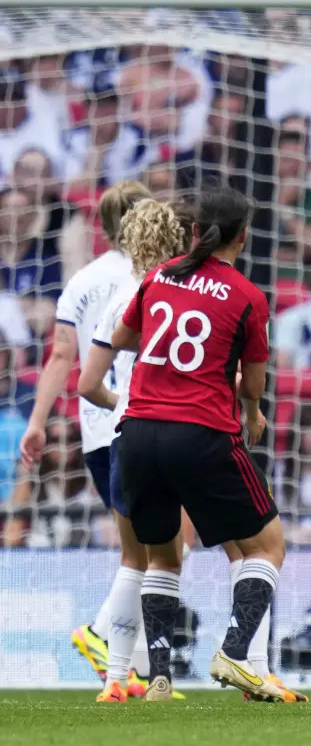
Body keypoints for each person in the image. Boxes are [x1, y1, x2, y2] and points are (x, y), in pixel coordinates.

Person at [108, 185, 284, 702]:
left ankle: (159, 677)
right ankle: (234, 652)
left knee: (161, 557)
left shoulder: (161, 276)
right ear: (244, 237)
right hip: (201, 432)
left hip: (137, 433)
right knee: (268, 545)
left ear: (192, 231)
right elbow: (253, 384)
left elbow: (123, 338)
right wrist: (252, 414)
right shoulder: (247, 295)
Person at [17, 181, 147, 683]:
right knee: (158, 548)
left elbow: (62, 357)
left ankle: (131, 669)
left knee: (140, 548)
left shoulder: (81, 281)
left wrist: (37, 422)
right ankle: (100, 635)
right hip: (137, 422)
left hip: (95, 431)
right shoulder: (152, 277)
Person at [77, 197, 189, 702]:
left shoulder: (124, 292)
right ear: (179, 239)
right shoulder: (183, 292)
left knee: (133, 559)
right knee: (166, 556)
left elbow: (86, 382)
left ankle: (121, 678)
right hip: (181, 432)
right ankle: (137, 665)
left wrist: (123, 403)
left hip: (130, 436)